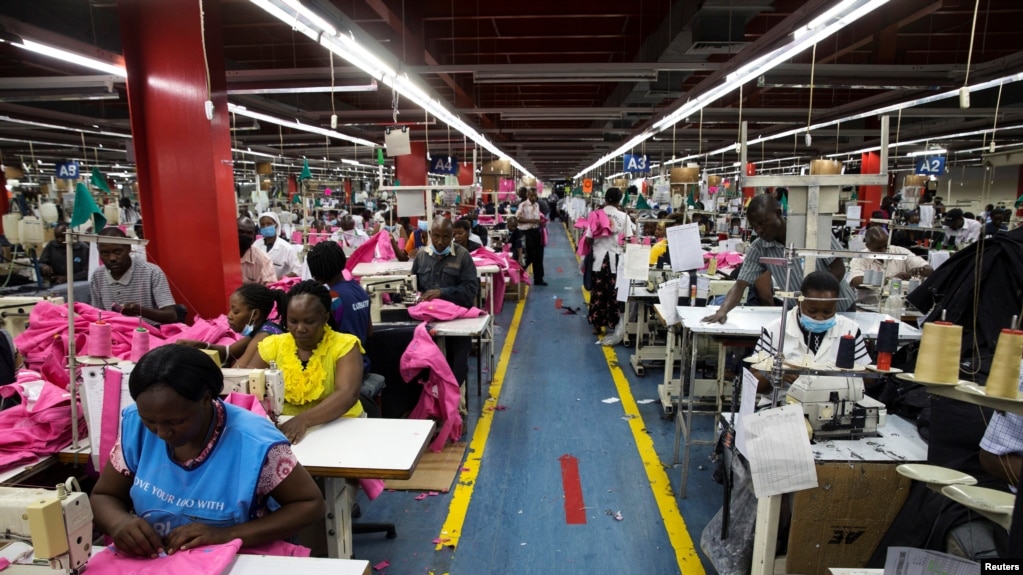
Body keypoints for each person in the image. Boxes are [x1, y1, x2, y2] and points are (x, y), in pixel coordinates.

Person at [90, 345, 324, 557]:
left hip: (237, 560)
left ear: (206, 399)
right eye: (150, 420)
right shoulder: (135, 427)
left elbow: (309, 505)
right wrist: (119, 522)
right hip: (158, 562)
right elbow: (104, 495)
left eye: (175, 422)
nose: (161, 433)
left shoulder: (255, 444)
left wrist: (226, 534)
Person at [703, 193, 856, 324]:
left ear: (778, 213)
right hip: (801, 316)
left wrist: (814, 297)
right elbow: (740, 284)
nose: (760, 230)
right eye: (755, 227)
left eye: (763, 223)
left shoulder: (812, 231)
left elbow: (838, 269)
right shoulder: (760, 248)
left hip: (839, 311)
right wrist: (722, 310)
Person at [249, 280, 364, 444]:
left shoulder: (344, 346)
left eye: (309, 322)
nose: (300, 329)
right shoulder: (273, 346)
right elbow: (246, 385)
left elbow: (347, 393)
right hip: (287, 428)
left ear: (325, 317)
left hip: (340, 426)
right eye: (293, 322)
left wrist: (302, 420)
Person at [750, 271, 871, 394]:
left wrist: (839, 379)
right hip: (783, 404)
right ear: (799, 302)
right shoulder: (775, 330)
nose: (819, 317)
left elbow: (867, 379)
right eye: (812, 311)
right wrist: (775, 375)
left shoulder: (850, 330)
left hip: (834, 403)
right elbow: (753, 382)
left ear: (835, 306)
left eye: (827, 312)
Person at [411, 217, 479, 390]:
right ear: (430, 235)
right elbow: (413, 287)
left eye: (446, 237)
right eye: (436, 236)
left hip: (457, 324)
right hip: (429, 323)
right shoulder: (421, 257)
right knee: (425, 368)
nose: (440, 242)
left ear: (452, 236)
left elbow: (471, 290)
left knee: (456, 368)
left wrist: (443, 293)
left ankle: (455, 405)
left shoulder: (463, 257)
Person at [176, 283, 285, 368]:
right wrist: (199, 345)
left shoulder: (263, 336)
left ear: (255, 314)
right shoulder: (259, 329)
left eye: (236, 312)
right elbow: (229, 352)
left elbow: (239, 373)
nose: (229, 316)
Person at [90, 227, 178, 326]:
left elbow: (171, 316)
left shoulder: (152, 272)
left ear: (129, 247)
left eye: (118, 252)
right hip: (115, 332)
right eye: (105, 253)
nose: (112, 258)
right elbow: (97, 314)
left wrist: (139, 310)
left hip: (150, 332)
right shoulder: (97, 276)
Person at [305, 241, 371, 371]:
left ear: (316, 275)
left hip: (342, 366)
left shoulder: (332, 298)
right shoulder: (359, 290)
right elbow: (369, 332)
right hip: (362, 361)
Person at [586, 187, 633, 336]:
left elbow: (588, 239)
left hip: (598, 260)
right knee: (613, 293)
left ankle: (597, 325)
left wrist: (598, 240)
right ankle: (612, 322)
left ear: (605, 199)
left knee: (598, 292)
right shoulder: (625, 217)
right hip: (616, 260)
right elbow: (629, 240)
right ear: (620, 201)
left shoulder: (595, 215)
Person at [849, 227, 932, 301]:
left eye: (886, 246)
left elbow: (930, 270)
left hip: (897, 304)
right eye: (878, 248)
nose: (883, 250)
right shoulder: (860, 258)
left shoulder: (900, 252)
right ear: (868, 245)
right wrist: (890, 279)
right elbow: (856, 281)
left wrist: (920, 270)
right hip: (868, 306)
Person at [254, 212, 300, 279]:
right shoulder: (255, 245)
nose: (265, 227)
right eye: (262, 224)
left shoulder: (286, 248)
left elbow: (298, 270)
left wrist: (279, 279)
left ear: (276, 225)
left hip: (279, 286)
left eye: (269, 224)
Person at [517, 187, 546, 285]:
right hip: (526, 233)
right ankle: (518, 276)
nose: (533, 197)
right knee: (529, 256)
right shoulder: (523, 205)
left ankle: (539, 279)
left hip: (536, 232)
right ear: (527, 195)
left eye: (535, 195)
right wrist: (532, 221)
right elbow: (518, 219)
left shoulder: (537, 205)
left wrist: (540, 222)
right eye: (531, 195)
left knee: (539, 256)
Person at [238, 217, 275, 285]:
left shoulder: (264, 260)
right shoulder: (222, 256)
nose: (244, 236)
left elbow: (271, 288)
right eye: (241, 232)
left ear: (253, 235)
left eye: (249, 233)